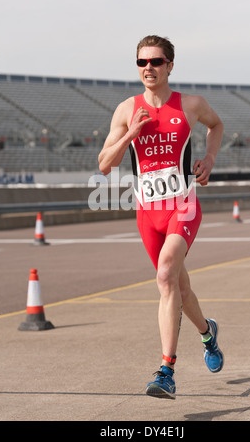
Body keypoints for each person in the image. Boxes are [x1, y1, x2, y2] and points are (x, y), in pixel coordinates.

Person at [98, 35, 224, 399]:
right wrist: (130, 135)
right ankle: (207, 334)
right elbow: (105, 166)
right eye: (142, 62)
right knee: (179, 288)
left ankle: (166, 370)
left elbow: (217, 126)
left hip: (183, 204)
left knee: (165, 272)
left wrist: (210, 159)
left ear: (170, 65)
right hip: (147, 213)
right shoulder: (126, 110)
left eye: (155, 61)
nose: (148, 68)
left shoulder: (192, 104)